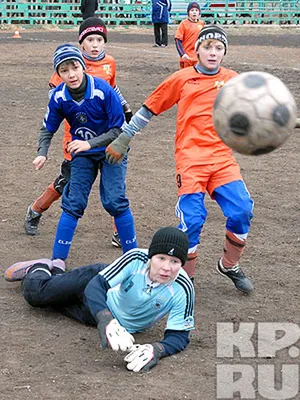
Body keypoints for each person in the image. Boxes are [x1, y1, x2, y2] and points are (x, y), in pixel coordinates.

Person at [105, 26, 254, 294]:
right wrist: (124, 137)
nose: (212, 52)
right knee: (193, 219)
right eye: (207, 47)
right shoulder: (181, 78)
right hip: (191, 160)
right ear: (196, 50)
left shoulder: (234, 79)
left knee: (242, 210)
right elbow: (149, 108)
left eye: (218, 48)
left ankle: (229, 264)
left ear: (224, 53)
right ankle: (187, 280)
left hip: (222, 159)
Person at [4, 227, 195, 373]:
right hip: (95, 287)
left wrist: (158, 349)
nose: (166, 268)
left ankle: (57, 272)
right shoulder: (136, 259)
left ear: (182, 263)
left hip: (92, 315)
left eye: (175, 262)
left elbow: (179, 336)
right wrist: (106, 319)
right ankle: (39, 267)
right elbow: (96, 286)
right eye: (161, 258)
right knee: (35, 295)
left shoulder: (183, 288)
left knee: (51, 304)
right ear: (150, 256)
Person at [24, 17, 133, 250]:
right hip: (76, 138)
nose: (95, 44)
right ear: (81, 43)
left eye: (99, 40)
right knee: (67, 182)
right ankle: (36, 209)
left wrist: (125, 106)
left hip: (105, 134)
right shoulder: (67, 66)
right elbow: (55, 106)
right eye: (90, 39)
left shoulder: (109, 63)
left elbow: (113, 88)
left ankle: (119, 233)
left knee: (114, 192)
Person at [174, 2, 205, 69]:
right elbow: (177, 40)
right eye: (192, 10)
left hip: (198, 58)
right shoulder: (183, 24)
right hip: (187, 58)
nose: (194, 12)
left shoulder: (202, 24)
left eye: (196, 10)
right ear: (188, 13)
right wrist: (182, 54)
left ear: (199, 12)